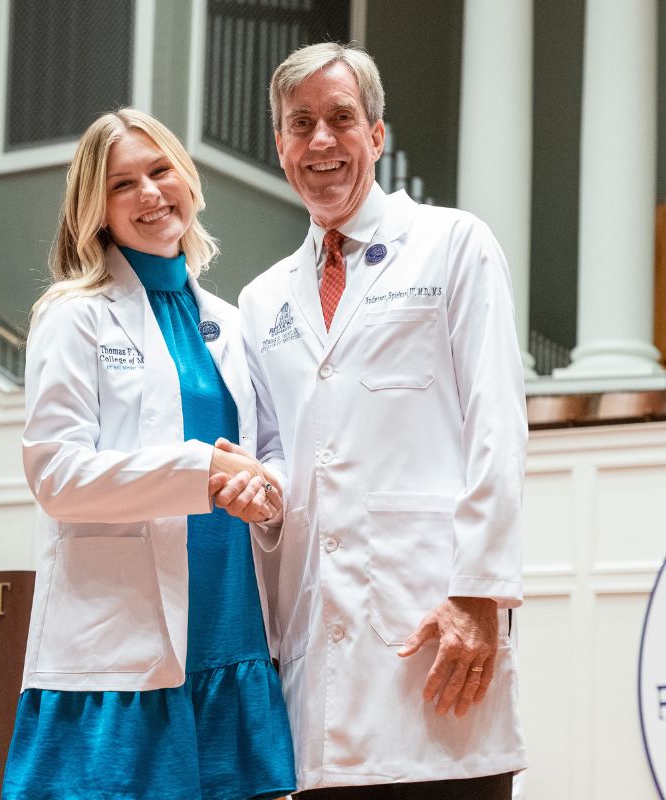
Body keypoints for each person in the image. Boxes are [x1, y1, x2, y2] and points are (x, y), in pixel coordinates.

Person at [233, 42, 528, 798]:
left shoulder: (455, 245)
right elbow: (282, 465)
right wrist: (260, 494)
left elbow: (498, 424)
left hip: (438, 638)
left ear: (377, 135)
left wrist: (478, 593)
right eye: (301, 125)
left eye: (341, 119)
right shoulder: (263, 301)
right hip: (320, 674)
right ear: (281, 145)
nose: (322, 141)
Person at [1, 108, 295, 800]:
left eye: (160, 170)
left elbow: (270, 450)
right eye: (122, 183)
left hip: (231, 628)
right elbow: (57, 475)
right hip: (122, 644)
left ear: (188, 181)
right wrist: (203, 471)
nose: (150, 193)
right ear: (96, 210)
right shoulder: (73, 316)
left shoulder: (229, 322)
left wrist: (264, 489)